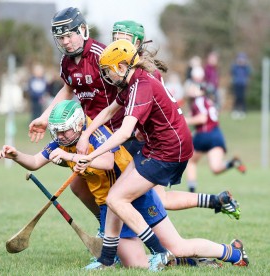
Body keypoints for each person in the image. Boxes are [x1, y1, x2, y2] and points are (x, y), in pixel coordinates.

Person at [27, 10, 241, 226]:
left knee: (148, 199)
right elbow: (71, 91)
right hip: (99, 135)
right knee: (84, 187)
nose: (118, 44)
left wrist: (138, 127)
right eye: (115, 38)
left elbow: (142, 101)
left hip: (123, 136)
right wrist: (45, 118)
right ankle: (110, 229)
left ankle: (171, 243)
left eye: (124, 40)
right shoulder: (77, 61)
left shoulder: (110, 60)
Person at [74, 39, 249, 270]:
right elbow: (108, 112)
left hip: (169, 152)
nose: (107, 75)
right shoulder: (130, 84)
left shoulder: (141, 85)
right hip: (156, 148)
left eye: (108, 70)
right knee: (118, 199)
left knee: (116, 198)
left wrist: (91, 155)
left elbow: (125, 131)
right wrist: (86, 135)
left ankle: (157, 253)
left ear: (121, 67)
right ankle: (232, 253)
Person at [0, 100, 223, 270]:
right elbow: (36, 162)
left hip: (134, 195)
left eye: (63, 130)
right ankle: (188, 262)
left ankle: (223, 252)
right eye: (55, 131)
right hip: (109, 206)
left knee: (174, 244)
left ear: (77, 124)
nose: (58, 135)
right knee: (137, 265)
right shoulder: (63, 141)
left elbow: (107, 162)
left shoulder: (94, 133)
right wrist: (16, 155)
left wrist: (69, 158)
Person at [184, 68, 247, 193]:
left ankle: (191, 192)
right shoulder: (208, 101)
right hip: (216, 134)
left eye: (194, 88)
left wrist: (186, 120)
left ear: (200, 91)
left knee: (190, 162)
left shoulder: (199, 101)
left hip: (204, 135)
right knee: (216, 169)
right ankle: (232, 163)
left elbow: (202, 118)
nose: (191, 90)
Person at [230, 52, 251, 119]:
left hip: (243, 84)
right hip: (236, 84)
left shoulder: (246, 67)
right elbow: (232, 71)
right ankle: (235, 111)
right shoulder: (235, 67)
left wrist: (245, 65)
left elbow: (249, 72)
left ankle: (243, 111)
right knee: (237, 97)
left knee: (242, 98)